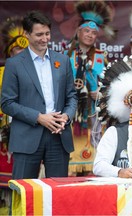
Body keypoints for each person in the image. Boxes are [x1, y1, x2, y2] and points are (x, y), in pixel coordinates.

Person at [0, 10, 77, 179]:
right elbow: (7, 103)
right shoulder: (14, 64)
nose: (45, 39)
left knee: (57, 196)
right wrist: (39, 117)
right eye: (39, 34)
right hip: (27, 138)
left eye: (47, 34)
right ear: (27, 34)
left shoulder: (62, 60)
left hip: (58, 136)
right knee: (24, 196)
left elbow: (71, 96)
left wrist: (66, 116)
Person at [63, 1, 115, 176]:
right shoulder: (65, 56)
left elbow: (109, 86)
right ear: (78, 32)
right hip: (70, 114)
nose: (90, 35)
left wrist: (99, 94)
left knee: (93, 163)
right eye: (86, 31)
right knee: (70, 165)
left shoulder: (102, 57)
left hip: (93, 116)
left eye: (94, 33)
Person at [0, 15, 29, 214]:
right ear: (10, 54)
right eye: (16, 51)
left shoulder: (34, 75)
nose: (19, 55)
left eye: (23, 52)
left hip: (28, 130)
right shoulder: (1, 72)